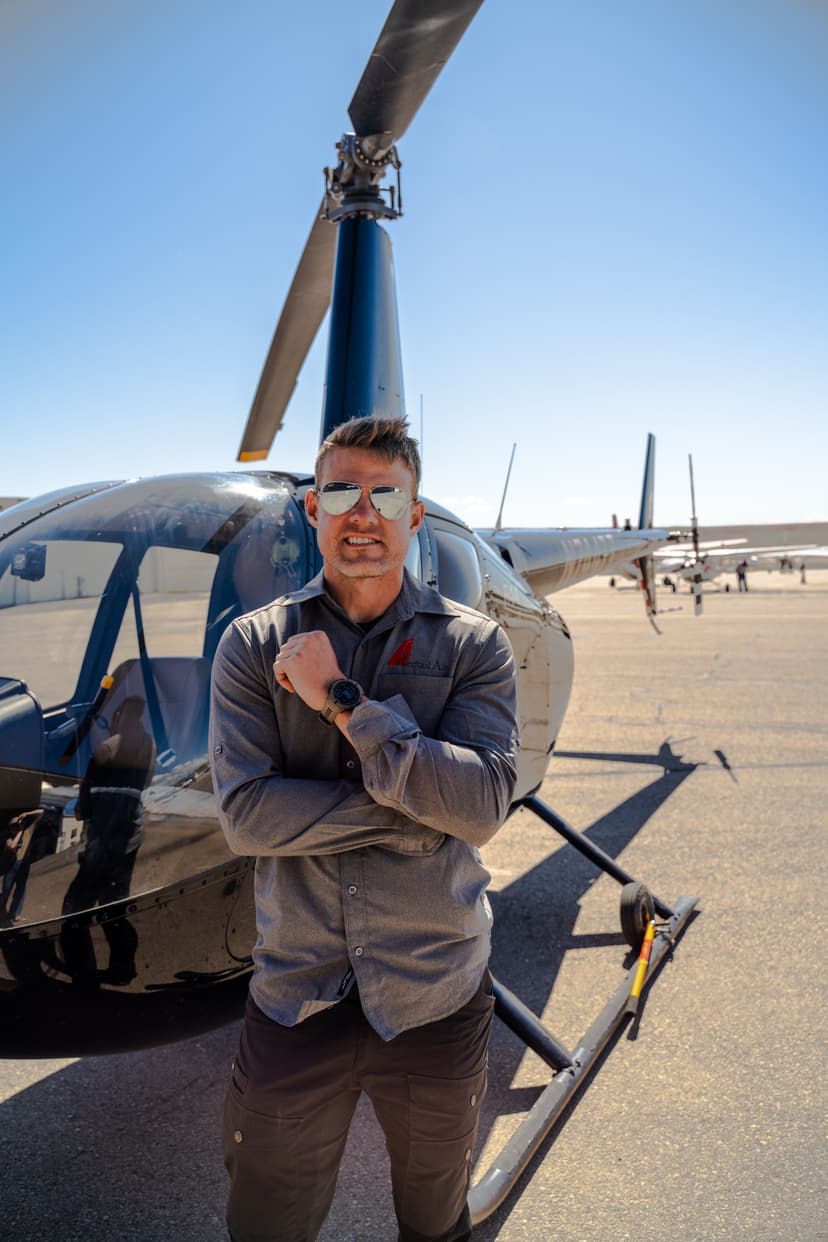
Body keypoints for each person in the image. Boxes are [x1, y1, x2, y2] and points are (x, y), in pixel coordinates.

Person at [210, 415, 519, 1242]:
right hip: (296, 998)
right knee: (266, 1223)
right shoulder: (251, 645)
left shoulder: (473, 646)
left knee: (433, 1220)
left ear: (414, 515)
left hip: (433, 996)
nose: (363, 513)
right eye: (343, 491)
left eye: (386, 494)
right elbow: (245, 817)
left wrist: (340, 701)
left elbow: (482, 807)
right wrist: (416, 818)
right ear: (313, 508)